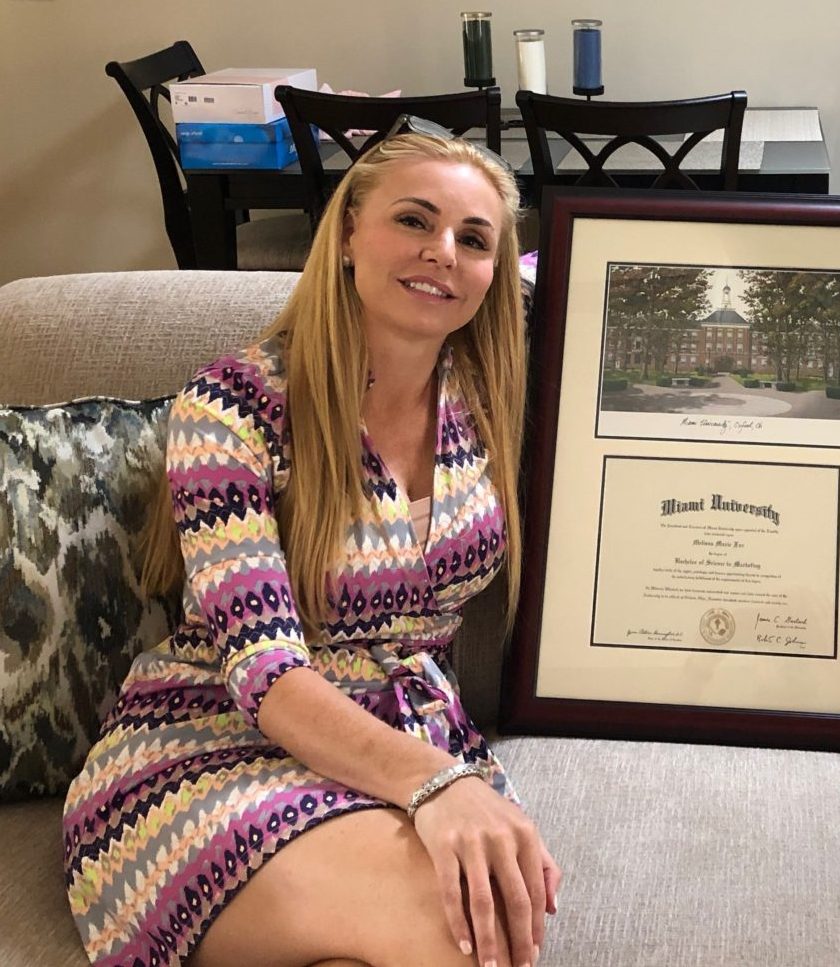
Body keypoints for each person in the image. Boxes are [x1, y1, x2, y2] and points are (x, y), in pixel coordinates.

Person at [62, 126, 558, 967]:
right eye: (414, 220)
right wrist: (440, 784)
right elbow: (265, 670)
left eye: (473, 239)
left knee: (474, 921)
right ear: (348, 238)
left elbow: (611, 284)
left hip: (401, 739)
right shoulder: (232, 409)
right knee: (461, 927)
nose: (442, 251)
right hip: (210, 746)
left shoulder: (483, 398)